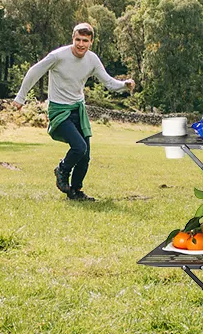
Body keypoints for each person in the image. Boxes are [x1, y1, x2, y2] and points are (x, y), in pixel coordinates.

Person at [12, 23, 134, 201]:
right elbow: (34, 72)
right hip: (59, 110)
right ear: (73, 39)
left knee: (85, 156)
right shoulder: (58, 56)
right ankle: (61, 170)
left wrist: (125, 84)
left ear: (91, 42)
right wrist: (20, 98)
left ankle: (76, 191)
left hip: (78, 109)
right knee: (79, 147)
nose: (81, 44)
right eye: (78, 39)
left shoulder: (92, 60)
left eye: (85, 40)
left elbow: (108, 82)